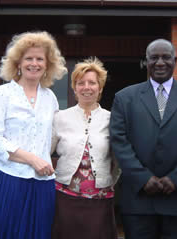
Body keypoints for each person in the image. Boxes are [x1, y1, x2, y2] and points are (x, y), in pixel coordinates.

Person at [109, 39, 177, 239]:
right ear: (145, 62)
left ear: (175, 60)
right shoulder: (125, 98)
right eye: (154, 58)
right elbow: (119, 142)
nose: (159, 62)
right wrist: (142, 178)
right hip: (139, 200)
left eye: (165, 57)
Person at [0, 31, 67, 239]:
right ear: (18, 63)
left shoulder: (50, 98)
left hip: (41, 184)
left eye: (40, 59)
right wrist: (33, 159)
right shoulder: (2, 94)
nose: (34, 63)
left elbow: (51, 139)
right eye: (29, 58)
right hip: (6, 179)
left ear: (48, 64)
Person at [51, 57, 121, 239]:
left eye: (92, 83)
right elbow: (44, 153)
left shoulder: (112, 119)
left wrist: (110, 181)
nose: (86, 87)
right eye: (81, 83)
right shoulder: (60, 117)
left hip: (100, 199)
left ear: (100, 88)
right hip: (65, 197)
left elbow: (119, 157)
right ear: (74, 88)